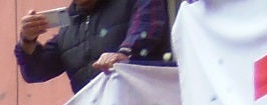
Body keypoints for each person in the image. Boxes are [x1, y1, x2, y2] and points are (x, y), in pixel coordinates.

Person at [16, 0, 169, 91]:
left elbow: (148, 25)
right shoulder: (68, 30)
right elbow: (35, 72)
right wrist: (27, 40)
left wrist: (125, 54)